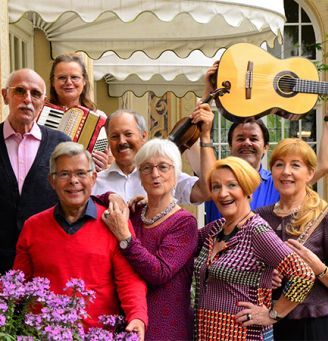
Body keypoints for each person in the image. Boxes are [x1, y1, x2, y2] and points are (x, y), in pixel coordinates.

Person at [13, 141, 148, 339]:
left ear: (93, 178)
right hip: (43, 333)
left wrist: (137, 316)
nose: (73, 181)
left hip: (98, 334)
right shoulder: (33, 227)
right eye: (64, 174)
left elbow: (129, 280)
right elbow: (17, 284)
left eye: (81, 173)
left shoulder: (114, 223)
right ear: (52, 181)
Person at [193, 156, 315, 340]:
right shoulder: (215, 229)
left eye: (232, 185)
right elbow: (180, 241)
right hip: (207, 334)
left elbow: (303, 275)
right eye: (216, 187)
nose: (222, 193)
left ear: (247, 190)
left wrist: (273, 314)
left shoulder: (256, 231)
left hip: (244, 335)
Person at [204, 61, 328, 223]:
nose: (247, 143)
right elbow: (197, 136)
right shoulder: (215, 178)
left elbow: (324, 164)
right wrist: (208, 93)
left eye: (254, 138)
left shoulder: (279, 181)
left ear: (265, 147)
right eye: (240, 138)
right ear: (230, 145)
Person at [102, 138, 198, 341]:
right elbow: (94, 201)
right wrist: (112, 196)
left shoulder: (184, 223)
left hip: (167, 328)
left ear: (176, 173)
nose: (155, 174)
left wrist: (125, 237)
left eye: (163, 167)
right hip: (129, 322)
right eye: (146, 168)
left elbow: (159, 272)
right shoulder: (135, 213)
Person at [256, 138, 328, 341]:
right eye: (279, 164)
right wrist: (265, 275)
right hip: (266, 318)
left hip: (310, 321)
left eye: (295, 165)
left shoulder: (326, 217)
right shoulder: (260, 216)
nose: (286, 172)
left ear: (310, 173)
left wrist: (318, 267)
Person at [0, 68, 70, 274]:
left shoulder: (61, 144)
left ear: (44, 102)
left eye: (35, 94)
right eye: (20, 91)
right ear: (5, 96)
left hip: (46, 262)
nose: (27, 99)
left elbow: (75, 196)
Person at [92, 106, 215, 205]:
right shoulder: (95, 182)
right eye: (114, 136)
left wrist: (205, 135)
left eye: (128, 134)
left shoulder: (165, 176)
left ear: (144, 136)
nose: (122, 141)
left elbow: (206, 191)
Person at [49, 53, 109, 172]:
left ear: (84, 81)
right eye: (62, 77)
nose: (68, 82)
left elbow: (111, 160)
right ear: (53, 82)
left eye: (75, 77)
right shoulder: (41, 114)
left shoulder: (99, 117)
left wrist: (104, 165)